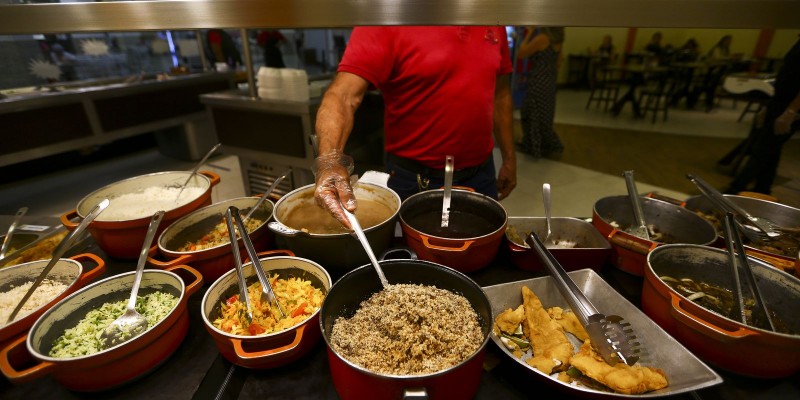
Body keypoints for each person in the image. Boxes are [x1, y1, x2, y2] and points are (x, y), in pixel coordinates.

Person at [313, 26, 517, 228]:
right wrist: (329, 162)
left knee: (485, 251)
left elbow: (501, 94)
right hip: (415, 180)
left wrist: (509, 157)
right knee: (411, 257)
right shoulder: (390, 16)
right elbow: (342, 96)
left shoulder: (490, 16)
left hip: (482, 175)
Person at [724, 36, 800, 196]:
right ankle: (763, 188)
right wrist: (769, 106)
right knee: (772, 148)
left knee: (763, 148)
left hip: (791, 107)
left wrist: (792, 111)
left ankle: (735, 189)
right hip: (779, 102)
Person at [517, 26, 565, 159]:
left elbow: (521, 53)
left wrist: (529, 33)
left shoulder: (542, 39)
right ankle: (545, 145)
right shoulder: (557, 41)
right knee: (545, 114)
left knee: (531, 111)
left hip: (538, 80)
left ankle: (532, 144)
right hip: (550, 81)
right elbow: (559, 61)